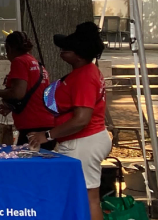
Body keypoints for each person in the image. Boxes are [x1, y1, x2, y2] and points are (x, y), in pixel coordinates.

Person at [27, 22, 110, 220]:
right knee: (78, 195)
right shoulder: (84, 72)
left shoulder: (84, 77)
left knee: (89, 197)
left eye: (66, 49)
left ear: (79, 54)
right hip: (83, 141)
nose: (61, 51)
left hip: (84, 142)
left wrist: (46, 136)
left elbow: (81, 119)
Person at [0, 31, 56, 149]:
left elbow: (18, 93)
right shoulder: (37, 64)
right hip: (46, 122)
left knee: (28, 164)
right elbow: (33, 94)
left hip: (32, 125)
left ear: (9, 48)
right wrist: (12, 106)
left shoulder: (19, 61)